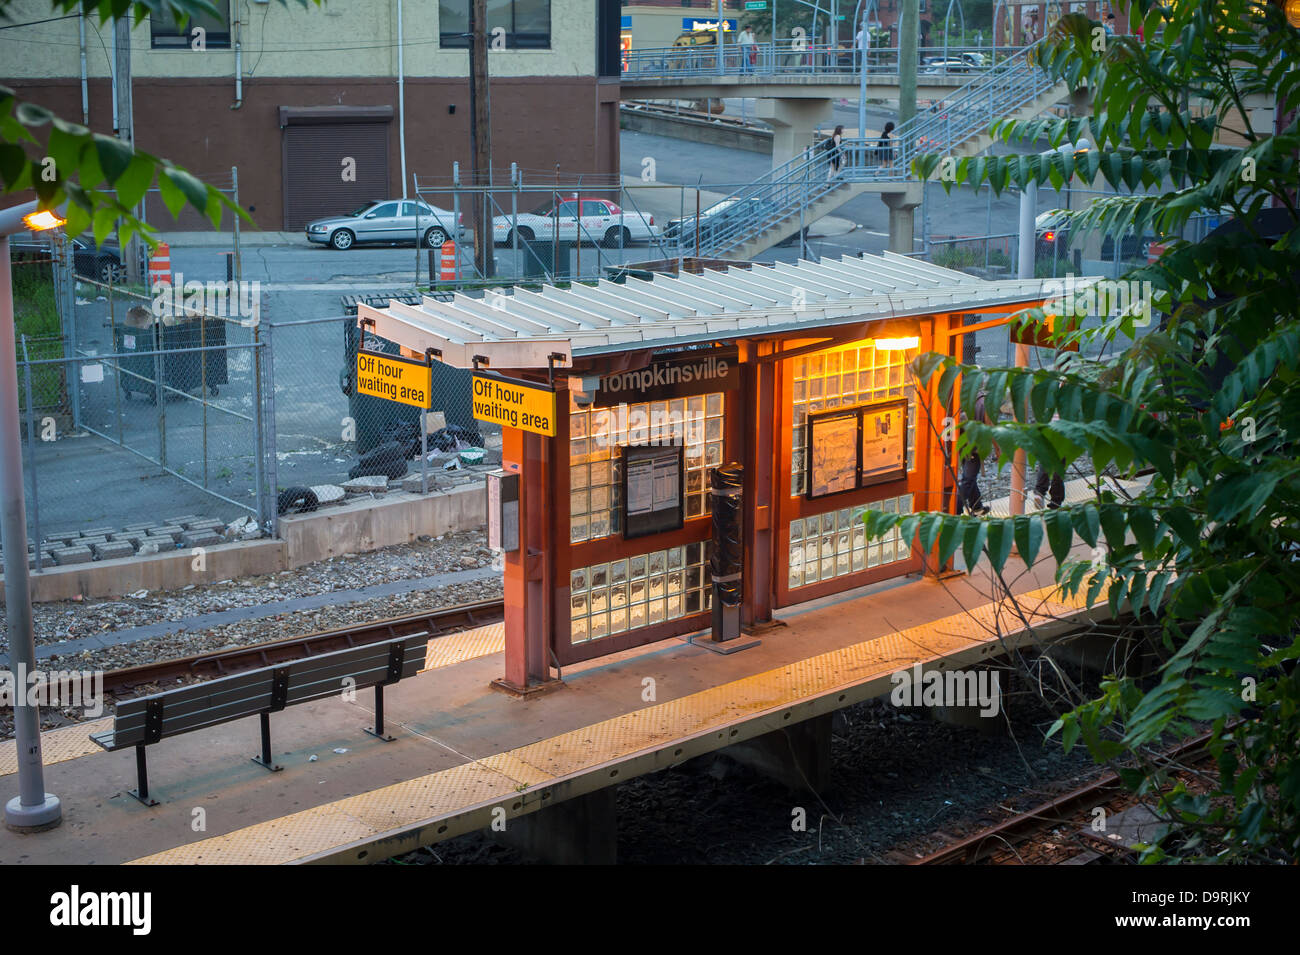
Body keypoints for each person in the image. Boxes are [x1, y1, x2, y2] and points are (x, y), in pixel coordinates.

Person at [956, 391, 992, 516]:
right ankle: (955, 509)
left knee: (969, 477)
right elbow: (989, 425)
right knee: (968, 480)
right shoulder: (984, 402)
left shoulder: (962, 399)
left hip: (962, 445)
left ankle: (977, 507)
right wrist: (997, 449)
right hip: (975, 448)